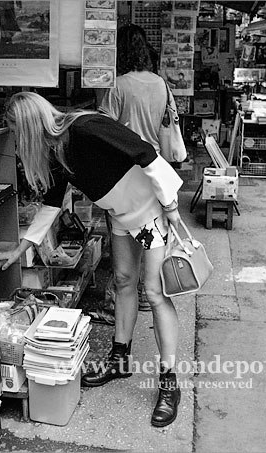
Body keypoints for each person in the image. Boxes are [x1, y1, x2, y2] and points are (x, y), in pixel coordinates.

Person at [0, 92, 185, 427]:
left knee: (154, 293)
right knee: (122, 281)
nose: (16, 140)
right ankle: (119, 361)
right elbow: (51, 205)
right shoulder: (56, 152)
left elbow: (146, 153)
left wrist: (171, 207)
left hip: (152, 209)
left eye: (14, 131)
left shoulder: (86, 127)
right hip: (121, 214)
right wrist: (19, 250)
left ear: (28, 125)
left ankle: (169, 384)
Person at [98, 24, 168, 313]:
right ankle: (144, 293)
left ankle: (126, 292)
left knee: (125, 241)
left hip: (125, 173)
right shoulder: (161, 83)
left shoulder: (119, 85)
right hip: (155, 169)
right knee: (148, 236)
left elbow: (104, 128)